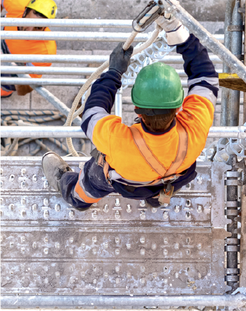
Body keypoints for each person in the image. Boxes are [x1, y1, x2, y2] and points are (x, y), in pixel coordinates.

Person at [41, 12, 219, 209]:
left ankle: (77, 198)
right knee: (165, 182)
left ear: (137, 110)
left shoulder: (118, 141)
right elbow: (206, 77)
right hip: (169, 178)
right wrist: (182, 38)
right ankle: (156, 200)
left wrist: (114, 72)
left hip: (125, 182)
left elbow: (92, 112)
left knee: (92, 180)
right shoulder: (195, 127)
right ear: (178, 106)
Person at [1, 0, 57, 97]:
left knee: (6, 84)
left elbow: (24, 90)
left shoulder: (45, 51)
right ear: (25, 12)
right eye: (29, 22)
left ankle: (4, 91)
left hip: (15, 66)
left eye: (37, 27)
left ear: (45, 27)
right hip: (3, 40)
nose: (29, 31)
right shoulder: (18, 4)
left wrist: (13, 68)